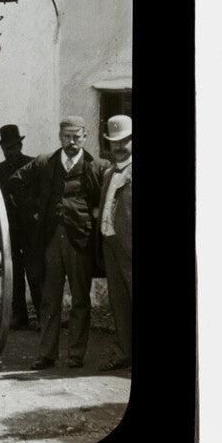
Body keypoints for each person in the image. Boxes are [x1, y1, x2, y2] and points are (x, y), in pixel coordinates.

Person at [7, 116, 105, 370]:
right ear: (60, 137)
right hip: (50, 239)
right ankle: (47, 354)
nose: (71, 142)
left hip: (80, 240)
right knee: (49, 299)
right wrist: (35, 208)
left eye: (76, 137)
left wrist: (93, 216)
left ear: (84, 137)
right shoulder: (45, 162)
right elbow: (16, 181)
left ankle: (75, 354)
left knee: (80, 299)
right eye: (67, 137)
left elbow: (104, 198)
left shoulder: (96, 166)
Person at [0, 124, 39, 330]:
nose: (10, 152)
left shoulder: (33, 165)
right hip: (10, 230)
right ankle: (19, 316)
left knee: (36, 273)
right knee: (14, 274)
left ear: (20, 145)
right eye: (6, 149)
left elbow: (42, 196)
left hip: (32, 230)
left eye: (13, 147)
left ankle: (43, 315)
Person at [98, 115, 132, 371]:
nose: (120, 147)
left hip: (130, 247)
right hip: (110, 245)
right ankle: (123, 354)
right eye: (114, 142)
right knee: (118, 303)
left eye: (125, 141)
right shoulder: (109, 173)